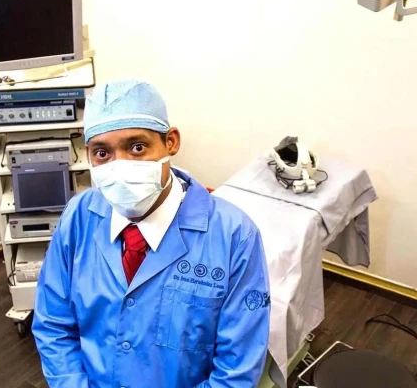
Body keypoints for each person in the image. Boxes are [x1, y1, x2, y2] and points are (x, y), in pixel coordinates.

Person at [32, 79, 271, 388]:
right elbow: (53, 325)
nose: (120, 167)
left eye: (137, 147)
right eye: (102, 153)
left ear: (170, 142)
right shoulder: (78, 218)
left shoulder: (234, 237)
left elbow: (236, 370)